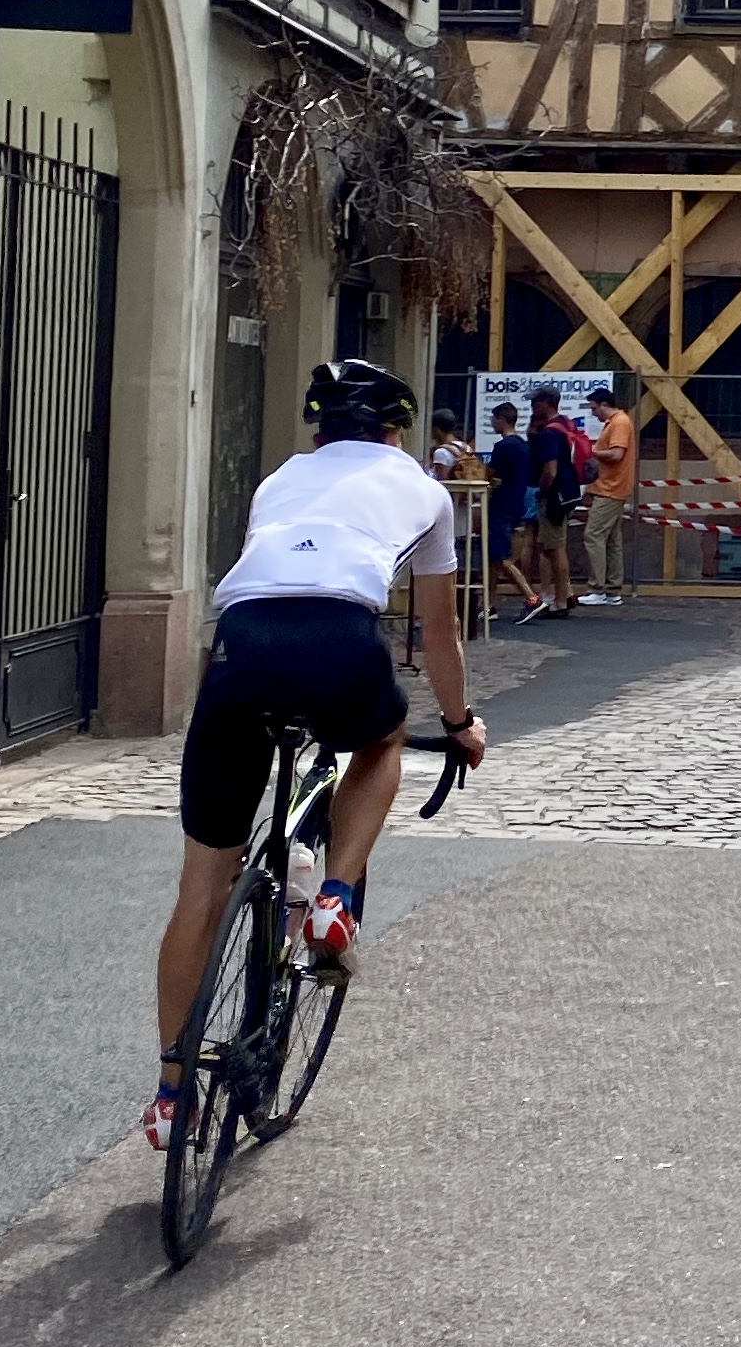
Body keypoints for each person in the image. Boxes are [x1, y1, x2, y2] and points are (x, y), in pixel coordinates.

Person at [145, 357, 487, 1149]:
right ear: (395, 432)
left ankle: (170, 1095)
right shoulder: (423, 490)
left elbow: (273, 577)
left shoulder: (280, 481)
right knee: (381, 738)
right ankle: (333, 898)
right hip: (341, 640)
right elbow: (439, 630)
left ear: (319, 431)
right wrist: (460, 721)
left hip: (241, 646)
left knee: (201, 888)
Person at [572, 374, 637, 605]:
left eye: (594, 408)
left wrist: (591, 453)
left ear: (604, 405)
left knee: (594, 535)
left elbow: (617, 454)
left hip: (610, 487)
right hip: (613, 487)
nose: (593, 413)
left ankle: (597, 588)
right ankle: (612, 590)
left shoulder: (619, 423)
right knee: (611, 540)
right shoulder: (619, 422)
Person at [524, 388, 584, 614]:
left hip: (553, 496)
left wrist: (543, 489)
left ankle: (560, 601)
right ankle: (563, 594)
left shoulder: (549, 433)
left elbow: (550, 469)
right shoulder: (564, 424)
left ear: (547, 403)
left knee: (555, 548)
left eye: (535, 402)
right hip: (567, 493)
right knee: (552, 546)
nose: (532, 407)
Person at [482, 406, 544, 617]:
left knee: (502, 558)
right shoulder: (523, 446)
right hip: (517, 504)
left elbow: (488, 474)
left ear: (501, 419)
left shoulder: (503, 447)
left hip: (502, 506)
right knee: (493, 557)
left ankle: (531, 598)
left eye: (494, 419)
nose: (492, 422)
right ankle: (489, 605)